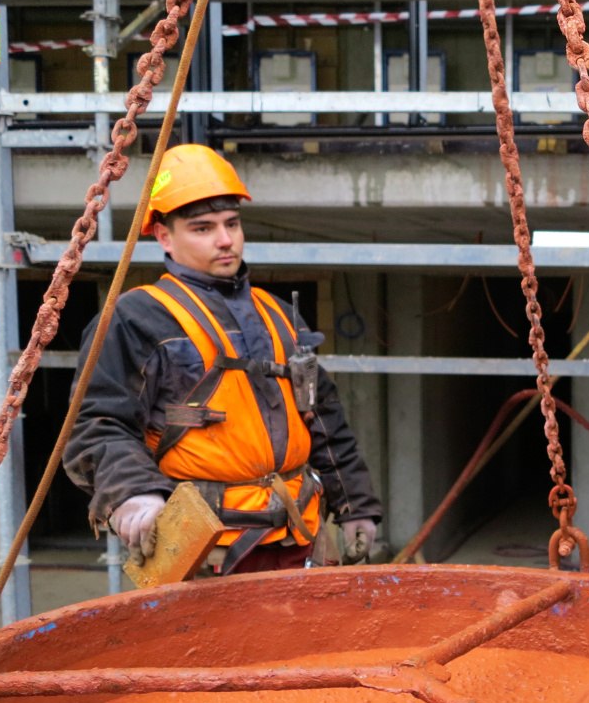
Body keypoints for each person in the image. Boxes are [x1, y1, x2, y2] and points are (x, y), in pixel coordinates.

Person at [63, 144, 382, 575]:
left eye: (232, 223)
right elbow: (97, 423)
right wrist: (133, 493)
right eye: (203, 228)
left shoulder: (279, 317)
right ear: (163, 236)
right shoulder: (136, 318)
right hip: (205, 549)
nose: (226, 239)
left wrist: (355, 504)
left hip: (297, 536)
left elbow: (323, 420)